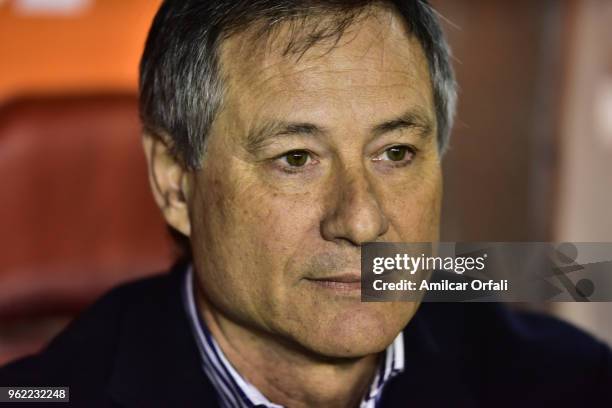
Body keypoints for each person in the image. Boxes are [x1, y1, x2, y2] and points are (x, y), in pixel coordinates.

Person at [1, 1, 611, 407]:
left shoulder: (570, 382)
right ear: (174, 182)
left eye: (395, 152)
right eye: (296, 158)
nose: (363, 220)